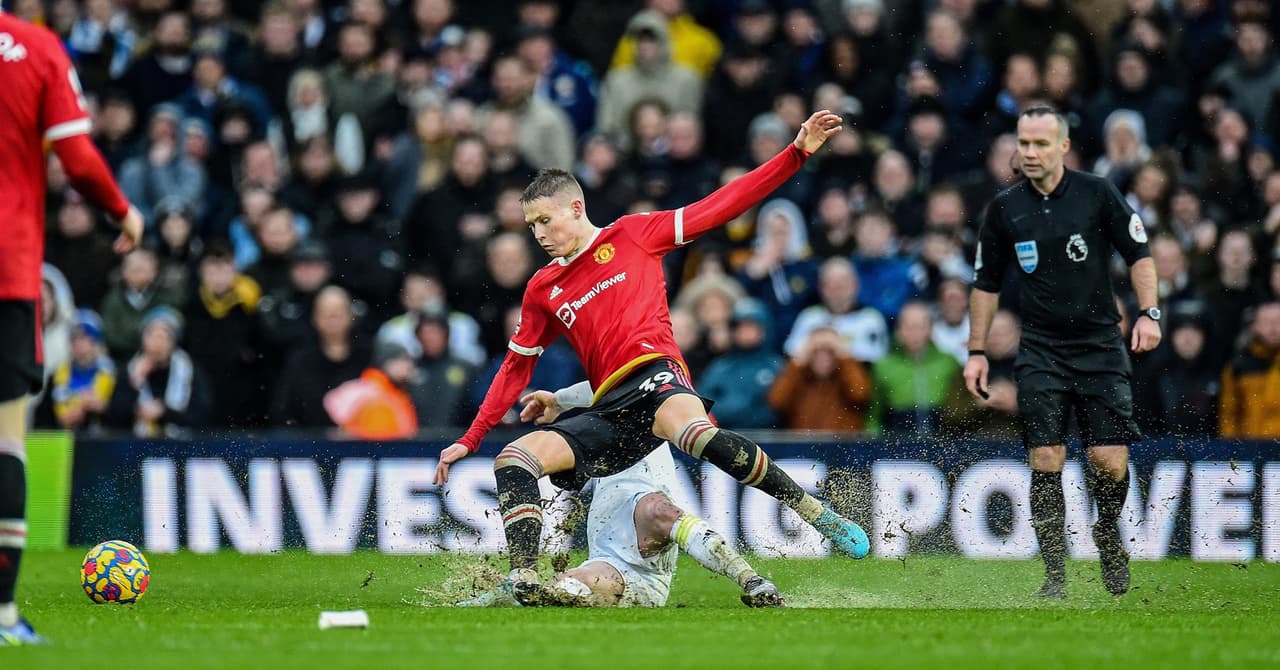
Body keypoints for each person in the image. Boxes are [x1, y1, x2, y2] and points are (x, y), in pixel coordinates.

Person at [433, 110, 868, 598]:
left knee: (697, 435)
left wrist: (795, 154)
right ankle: (525, 578)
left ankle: (813, 511)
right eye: (532, 224)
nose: (538, 234)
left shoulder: (633, 234)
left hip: (656, 377)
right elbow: (516, 367)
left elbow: (722, 204)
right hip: (608, 407)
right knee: (514, 459)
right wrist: (471, 439)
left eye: (545, 220)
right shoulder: (542, 288)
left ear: (576, 208)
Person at [965, 106, 1161, 599]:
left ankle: (1107, 532)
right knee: (1046, 456)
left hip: (1100, 344)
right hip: (1041, 349)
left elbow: (1139, 254)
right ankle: (1054, 575)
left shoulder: (1098, 193)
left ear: (1063, 147)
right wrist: (977, 350)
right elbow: (985, 284)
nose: (1030, 152)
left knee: (1108, 460)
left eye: (1041, 144)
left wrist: (1149, 313)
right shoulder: (1005, 208)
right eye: (1024, 143)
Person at [0, 10, 144, 646]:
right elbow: (78, 158)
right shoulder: (35, 48)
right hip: (6, 270)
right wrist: (121, 209)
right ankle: (2, 615)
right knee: (5, 439)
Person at [458, 380, 782, 608]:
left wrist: (560, 401)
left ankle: (750, 579)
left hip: (644, 542)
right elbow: (601, 386)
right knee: (566, 588)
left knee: (658, 511)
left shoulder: (657, 393)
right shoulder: (612, 405)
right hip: (609, 555)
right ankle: (512, 594)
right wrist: (559, 401)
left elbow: (614, 387)